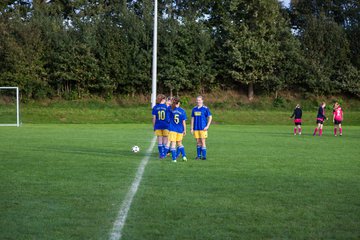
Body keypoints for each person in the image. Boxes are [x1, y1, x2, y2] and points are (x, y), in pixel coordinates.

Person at [165, 97, 187, 163]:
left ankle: (174, 159)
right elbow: (184, 122)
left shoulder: (170, 109)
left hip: (173, 129)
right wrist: (185, 130)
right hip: (180, 129)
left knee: (173, 144)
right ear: (179, 103)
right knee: (180, 143)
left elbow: (167, 119)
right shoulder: (182, 111)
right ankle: (184, 156)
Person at [191, 96, 212, 160]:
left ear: (202, 101)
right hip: (196, 128)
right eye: (197, 100)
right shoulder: (194, 109)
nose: (198, 101)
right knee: (198, 142)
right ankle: (198, 156)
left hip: (203, 128)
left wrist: (207, 126)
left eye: (199, 100)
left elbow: (210, 117)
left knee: (203, 142)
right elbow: (192, 119)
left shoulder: (205, 108)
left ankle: (204, 156)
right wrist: (192, 128)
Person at [152, 94, 169, 158]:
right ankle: (164, 154)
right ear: (163, 100)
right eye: (165, 99)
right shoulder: (167, 107)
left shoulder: (155, 107)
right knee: (165, 140)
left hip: (158, 125)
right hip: (166, 125)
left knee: (159, 140)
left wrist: (154, 126)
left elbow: (154, 118)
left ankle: (161, 154)